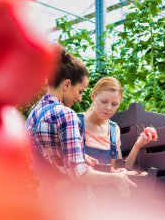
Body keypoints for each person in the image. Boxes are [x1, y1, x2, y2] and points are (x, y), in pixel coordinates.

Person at [25, 48, 136, 207]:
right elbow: (79, 173)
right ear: (67, 85)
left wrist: (82, 158)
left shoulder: (33, 114)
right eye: (80, 91)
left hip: (45, 199)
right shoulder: (66, 115)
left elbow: (48, 157)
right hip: (71, 202)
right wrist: (116, 178)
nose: (79, 98)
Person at [79, 77, 157, 170]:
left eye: (114, 104)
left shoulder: (114, 129)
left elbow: (120, 169)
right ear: (93, 97)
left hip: (107, 184)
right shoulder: (75, 121)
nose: (108, 108)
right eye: (104, 101)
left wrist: (137, 145)